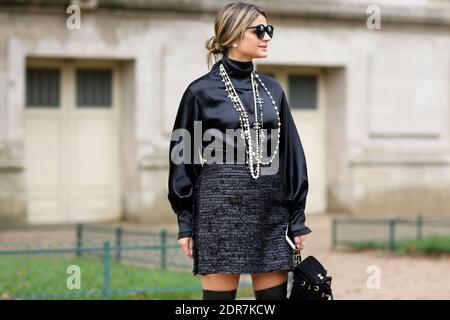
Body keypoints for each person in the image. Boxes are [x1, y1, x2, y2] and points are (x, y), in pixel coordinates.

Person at [168, 1, 311, 300]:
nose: (267, 36)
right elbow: (183, 159)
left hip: (270, 214)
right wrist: (186, 223)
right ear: (233, 36)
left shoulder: (273, 90)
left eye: (269, 29)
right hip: (219, 215)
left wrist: (296, 218)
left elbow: (290, 154)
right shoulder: (200, 92)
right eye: (259, 30)